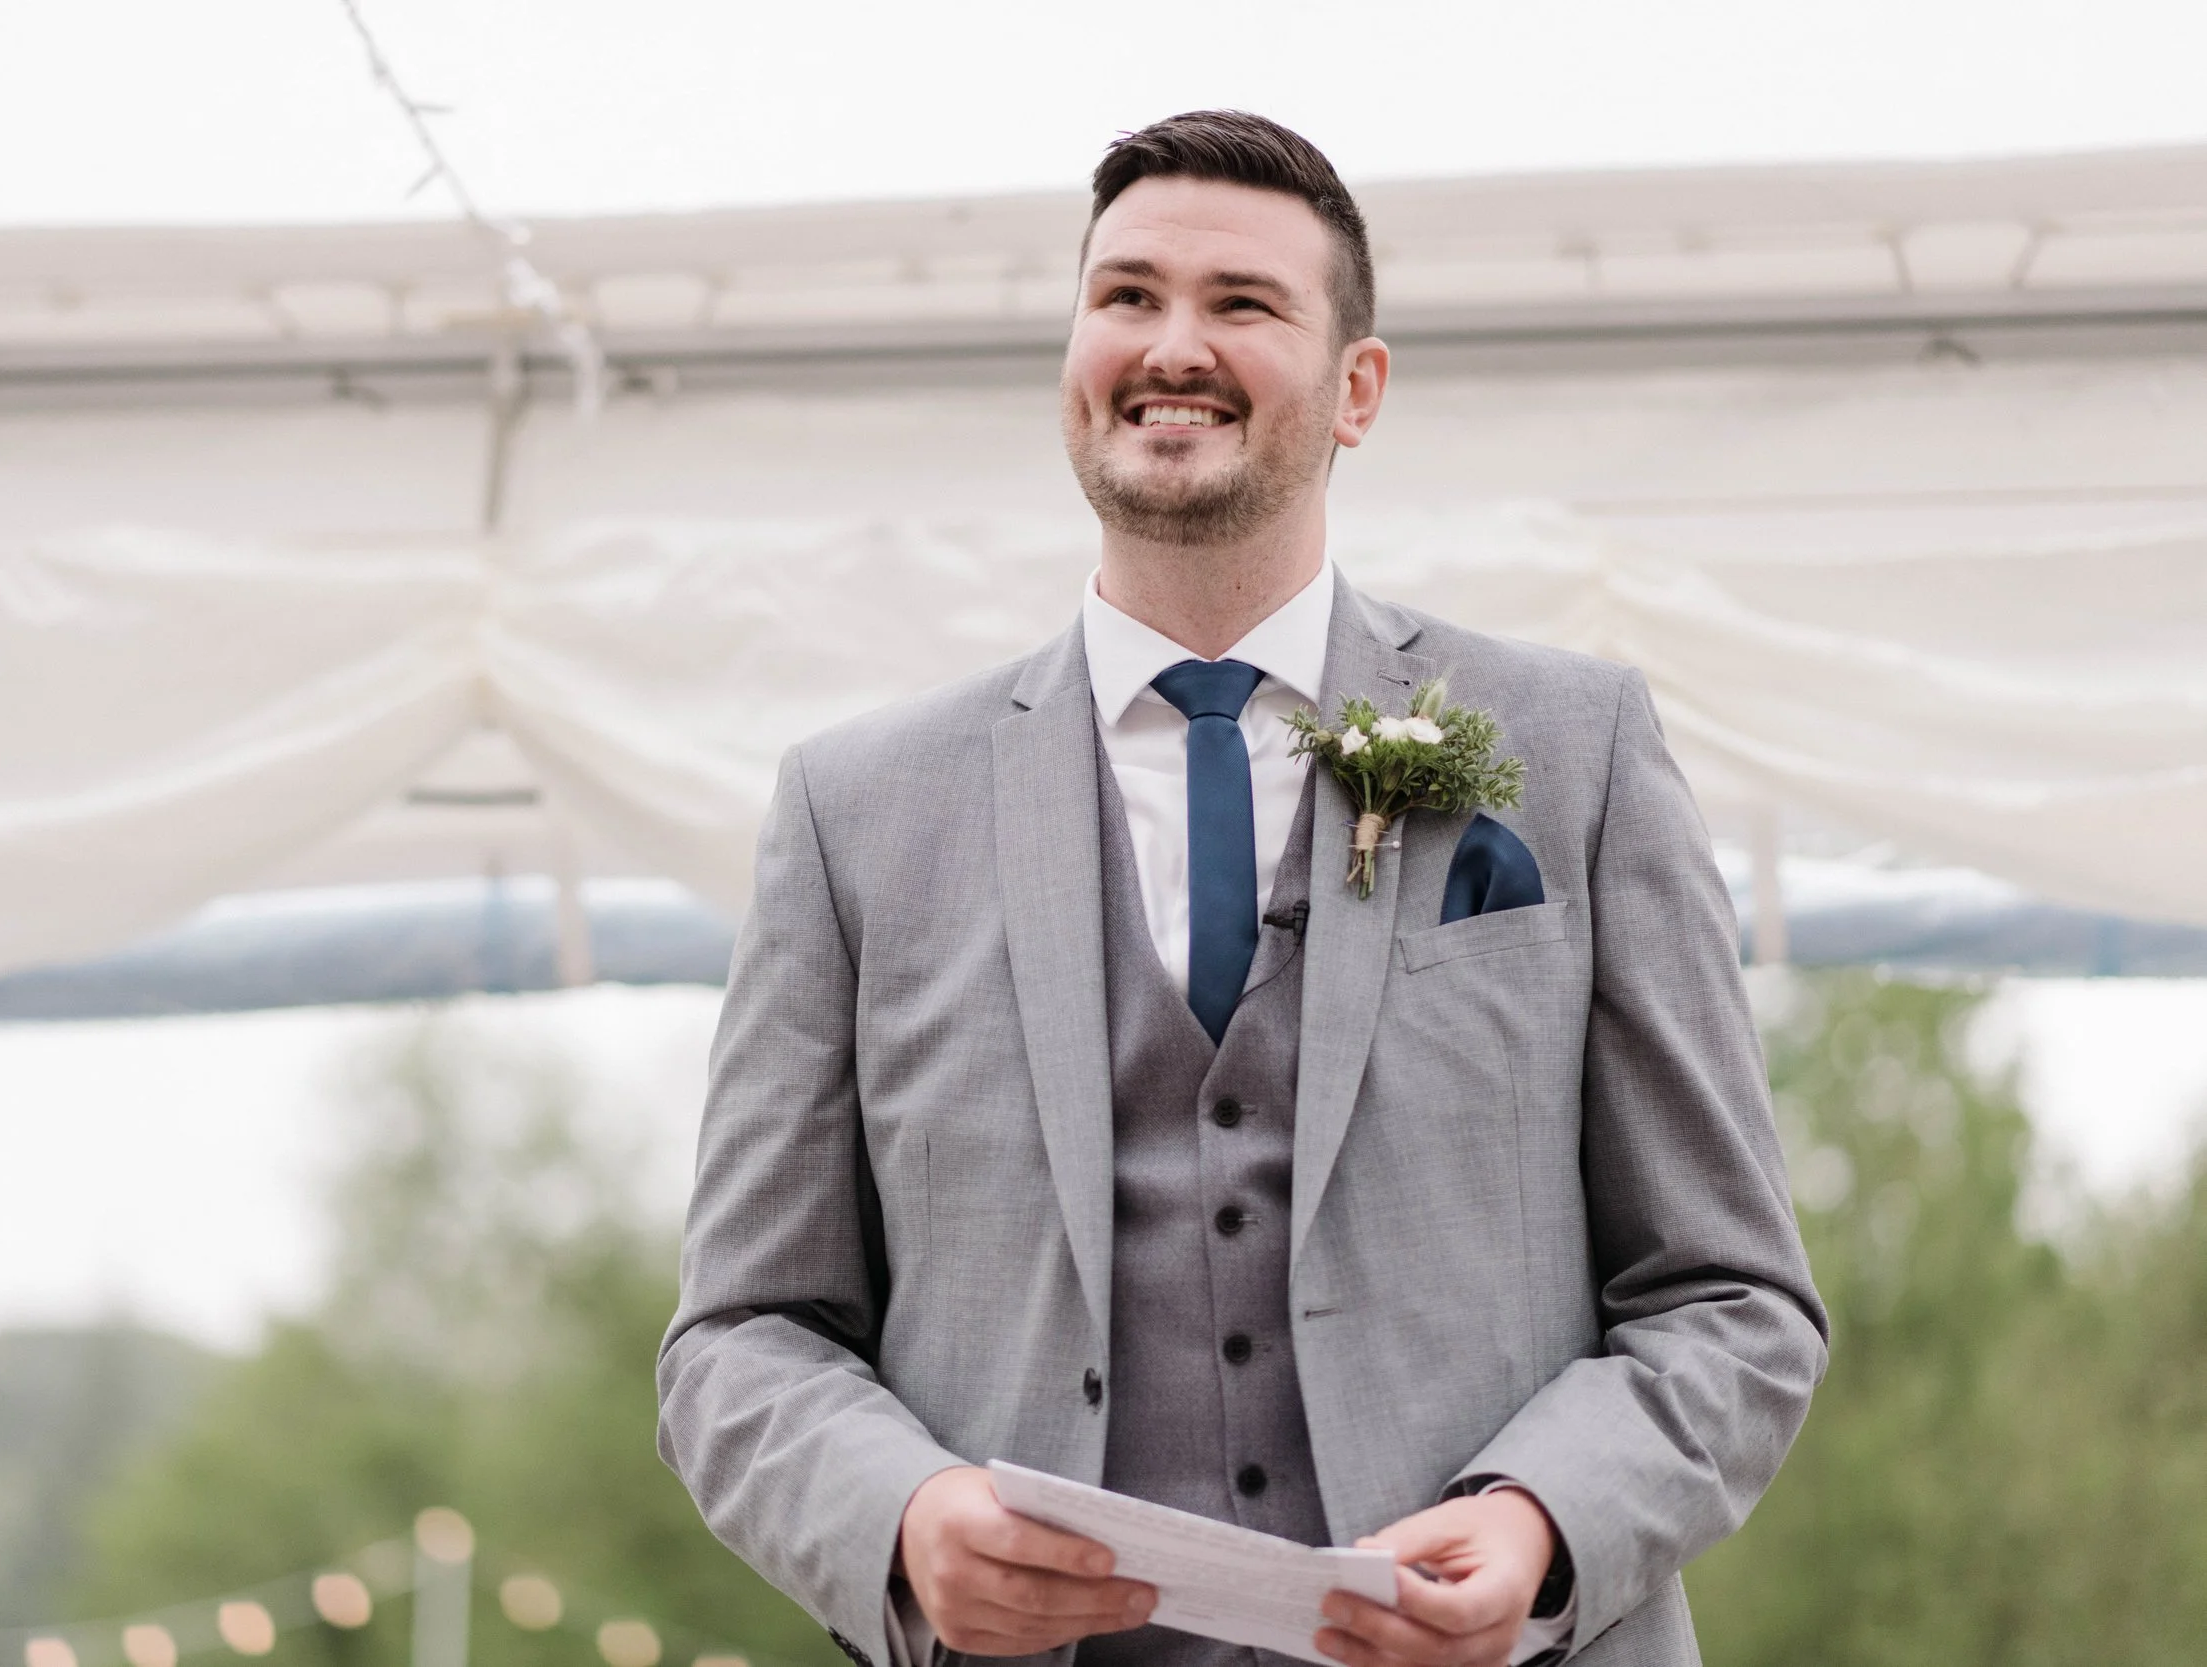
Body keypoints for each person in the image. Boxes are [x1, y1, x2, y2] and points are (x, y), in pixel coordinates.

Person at [657, 110, 1825, 1667]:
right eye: (1126, 296)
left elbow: (1734, 1294)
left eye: (1242, 303)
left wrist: (1543, 1518)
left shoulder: (1576, 749)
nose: (1171, 346)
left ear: (1358, 389)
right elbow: (741, 1336)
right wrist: (903, 1516)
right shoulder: (857, 809)